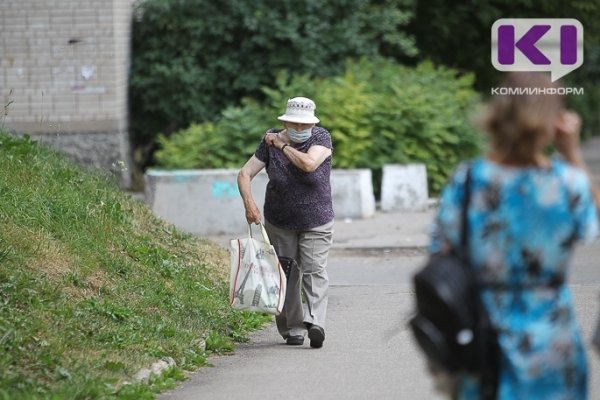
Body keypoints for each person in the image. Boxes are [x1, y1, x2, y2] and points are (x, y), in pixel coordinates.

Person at [429, 72, 599, 399]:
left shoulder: (468, 181)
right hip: (552, 341)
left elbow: (440, 250)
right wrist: (572, 154)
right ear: (554, 123)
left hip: (481, 338)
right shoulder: (567, 183)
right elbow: (594, 222)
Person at [237, 97, 334, 348]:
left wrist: (281, 146)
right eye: (296, 124)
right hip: (280, 220)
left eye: (305, 125)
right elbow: (245, 173)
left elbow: (309, 164)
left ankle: (316, 323)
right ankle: (293, 329)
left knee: (314, 269)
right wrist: (249, 204)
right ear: (286, 121)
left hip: (317, 219)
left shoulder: (321, 138)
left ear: (313, 124)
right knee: (286, 274)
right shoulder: (269, 141)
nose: (301, 130)